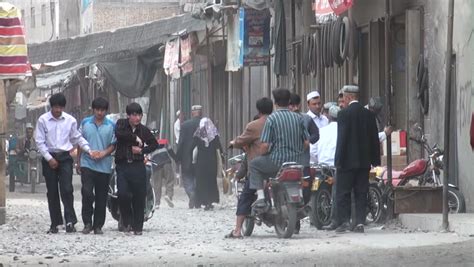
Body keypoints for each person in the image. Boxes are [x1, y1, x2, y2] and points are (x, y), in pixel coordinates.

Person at [36, 92, 93, 234]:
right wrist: (49, 158)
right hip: (49, 156)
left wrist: (89, 150)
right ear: (51, 107)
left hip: (65, 158)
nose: (58, 110)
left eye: (60, 107)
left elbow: (77, 138)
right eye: (55, 107)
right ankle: (55, 223)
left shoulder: (70, 120)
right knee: (52, 191)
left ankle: (70, 221)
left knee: (67, 189)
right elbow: (39, 141)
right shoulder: (43, 120)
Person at [249, 88, 309, 210]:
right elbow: (307, 142)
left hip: (276, 162)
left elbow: (265, 145)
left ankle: (260, 198)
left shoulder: (272, 119)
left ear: (275, 103)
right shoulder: (299, 118)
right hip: (296, 163)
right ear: (289, 102)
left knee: (254, 164)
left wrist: (263, 153)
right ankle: (300, 196)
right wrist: (297, 151)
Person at [334, 85, 381, 234]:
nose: (343, 101)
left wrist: (338, 160)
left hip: (347, 162)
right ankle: (359, 222)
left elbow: (341, 140)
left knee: (343, 192)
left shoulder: (343, 114)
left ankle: (344, 222)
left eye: (344, 98)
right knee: (361, 191)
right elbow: (374, 139)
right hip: (364, 162)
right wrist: (375, 160)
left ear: (348, 97)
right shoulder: (369, 115)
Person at [225, 97, 273, 238]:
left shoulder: (254, 125)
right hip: (279, 166)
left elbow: (241, 140)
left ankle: (238, 230)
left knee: (245, 197)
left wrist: (233, 143)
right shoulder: (278, 122)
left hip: (260, 168)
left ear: (258, 110)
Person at [114, 102, 158, 235]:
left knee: (139, 197)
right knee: (123, 194)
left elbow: (154, 144)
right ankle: (126, 221)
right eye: (134, 115)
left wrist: (141, 150)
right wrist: (135, 138)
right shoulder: (121, 124)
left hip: (138, 166)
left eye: (139, 115)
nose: (137, 118)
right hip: (122, 166)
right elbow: (119, 134)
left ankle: (138, 227)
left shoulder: (144, 130)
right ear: (128, 116)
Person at [76, 97, 116, 235]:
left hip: (104, 166)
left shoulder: (111, 125)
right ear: (93, 109)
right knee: (87, 192)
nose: (100, 112)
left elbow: (113, 144)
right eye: (97, 109)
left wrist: (103, 153)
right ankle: (87, 222)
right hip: (88, 163)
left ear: (106, 111)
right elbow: (79, 141)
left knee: (101, 196)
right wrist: (78, 160)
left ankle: (98, 225)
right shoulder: (85, 123)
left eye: (102, 110)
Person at [315, 105, 341, 231]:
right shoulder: (343, 130)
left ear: (329, 117)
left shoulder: (322, 130)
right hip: (336, 166)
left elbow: (313, 150)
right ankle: (338, 219)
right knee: (340, 192)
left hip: (322, 166)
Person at [193, 116, 223, 210]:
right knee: (211, 181)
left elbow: (194, 146)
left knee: (201, 181)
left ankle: (202, 201)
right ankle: (210, 201)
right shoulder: (214, 135)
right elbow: (218, 147)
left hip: (201, 161)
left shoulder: (198, 134)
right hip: (212, 161)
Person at [176, 105, 202, 209]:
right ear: (201, 112)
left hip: (186, 157)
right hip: (202, 157)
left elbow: (181, 142)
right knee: (198, 178)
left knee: (187, 178)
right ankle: (197, 198)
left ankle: (191, 193)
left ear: (192, 113)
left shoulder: (185, 125)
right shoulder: (206, 123)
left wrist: (178, 157)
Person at [306, 91, 329, 164]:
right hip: (312, 159)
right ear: (308, 105)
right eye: (314, 104)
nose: (317, 106)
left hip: (325, 157)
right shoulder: (306, 119)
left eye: (319, 103)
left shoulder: (325, 119)